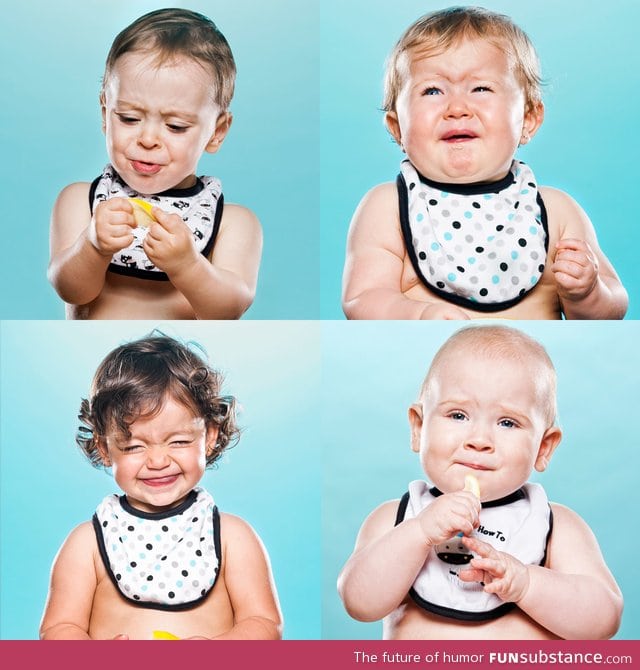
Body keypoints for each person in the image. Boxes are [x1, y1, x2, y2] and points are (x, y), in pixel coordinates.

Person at [342, 6, 627, 320]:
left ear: (528, 120)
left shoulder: (556, 212)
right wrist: (417, 315)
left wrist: (588, 292)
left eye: (481, 88)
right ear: (397, 128)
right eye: (432, 90)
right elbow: (361, 299)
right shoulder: (387, 209)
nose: (457, 108)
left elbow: (613, 308)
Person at [338, 325, 622, 639]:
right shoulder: (396, 518)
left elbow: (603, 620)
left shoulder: (556, 526)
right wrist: (418, 532)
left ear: (544, 447)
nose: (479, 440)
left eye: (507, 422)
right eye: (458, 415)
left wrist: (526, 583)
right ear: (418, 428)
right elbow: (358, 602)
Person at [40, 334, 282, 640]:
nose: (157, 460)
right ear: (103, 447)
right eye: (133, 447)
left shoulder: (231, 537)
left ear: (208, 436)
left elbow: (264, 625)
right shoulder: (87, 543)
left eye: (178, 441)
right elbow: (58, 630)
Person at [48, 9, 262, 319]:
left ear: (216, 132)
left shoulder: (232, 223)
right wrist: (93, 246)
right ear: (105, 113)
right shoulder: (81, 201)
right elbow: (71, 290)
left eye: (175, 126)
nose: (148, 139)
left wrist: (188, 265)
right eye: (129, 118)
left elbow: (228, 311)